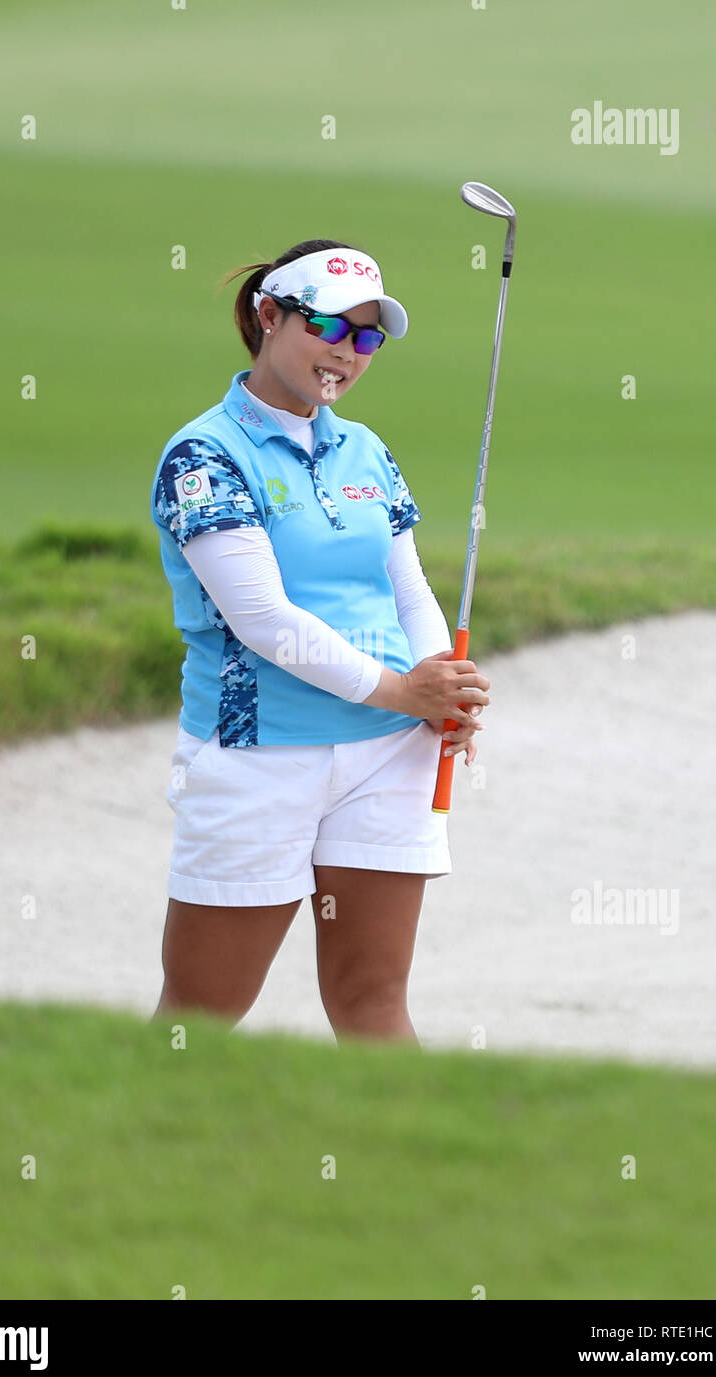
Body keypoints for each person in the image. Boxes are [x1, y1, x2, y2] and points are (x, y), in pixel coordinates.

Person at [149, 239, 490, 1044]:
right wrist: (405, 690)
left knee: (373, 1002)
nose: (346, 351)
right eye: (328, 326)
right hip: (259, 752)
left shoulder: (365, 450)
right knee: (201, 1014)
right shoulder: (203, 456)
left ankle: (408, 1172)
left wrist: (442, 686)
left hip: (388, 754)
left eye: (368, 337)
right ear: (269, 315)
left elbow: (408, 589)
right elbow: (263, 619)